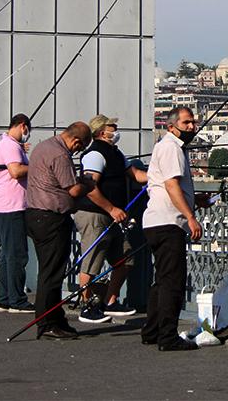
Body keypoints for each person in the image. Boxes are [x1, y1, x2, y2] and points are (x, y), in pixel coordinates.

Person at [141, 107, 211, 351]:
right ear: (172, 126)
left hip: (155, 221)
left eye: (193, 122)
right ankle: (168, 337)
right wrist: (191, 217)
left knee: (162, 279)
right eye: (187, 122)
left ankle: (152, 330)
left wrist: (194, 199)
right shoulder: (172, 148)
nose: (192, 127)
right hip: (169, 221)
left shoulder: (165, 146)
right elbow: (171, 185)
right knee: (172, 282)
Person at [74, 115, 148, 324]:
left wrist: (157, 175)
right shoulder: (95, 154)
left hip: (114, 216)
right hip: (95, 214)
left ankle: (110, 301)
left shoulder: (115, 153)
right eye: (111, 128)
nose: (115, 131)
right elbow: (90, 187)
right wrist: (112, 208)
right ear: (100, 132)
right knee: (92, 260)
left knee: (125, 258)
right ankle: (87, 305)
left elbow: (134, 174)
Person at [26, 122, 95, 340]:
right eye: (80, 148)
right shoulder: (60, 155)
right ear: (76, 141)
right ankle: (46, 323)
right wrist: (87, 183)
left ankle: (56, 319)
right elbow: (73, 189)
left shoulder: (43, 146)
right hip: (51, 218)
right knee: (52, 273)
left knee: (48, 270)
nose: (78, 151)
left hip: (35, 215)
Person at [0, 114, 34, 314]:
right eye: (28, 130)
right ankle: (17, 300)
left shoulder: (8, 144)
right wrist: (37, 165)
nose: (27, 135)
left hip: (3, 207)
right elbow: (15, 171)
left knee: (8, 254)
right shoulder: (9, 145)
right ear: (23, 126)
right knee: (17, 255)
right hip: (11, 207)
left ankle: (6, 299)